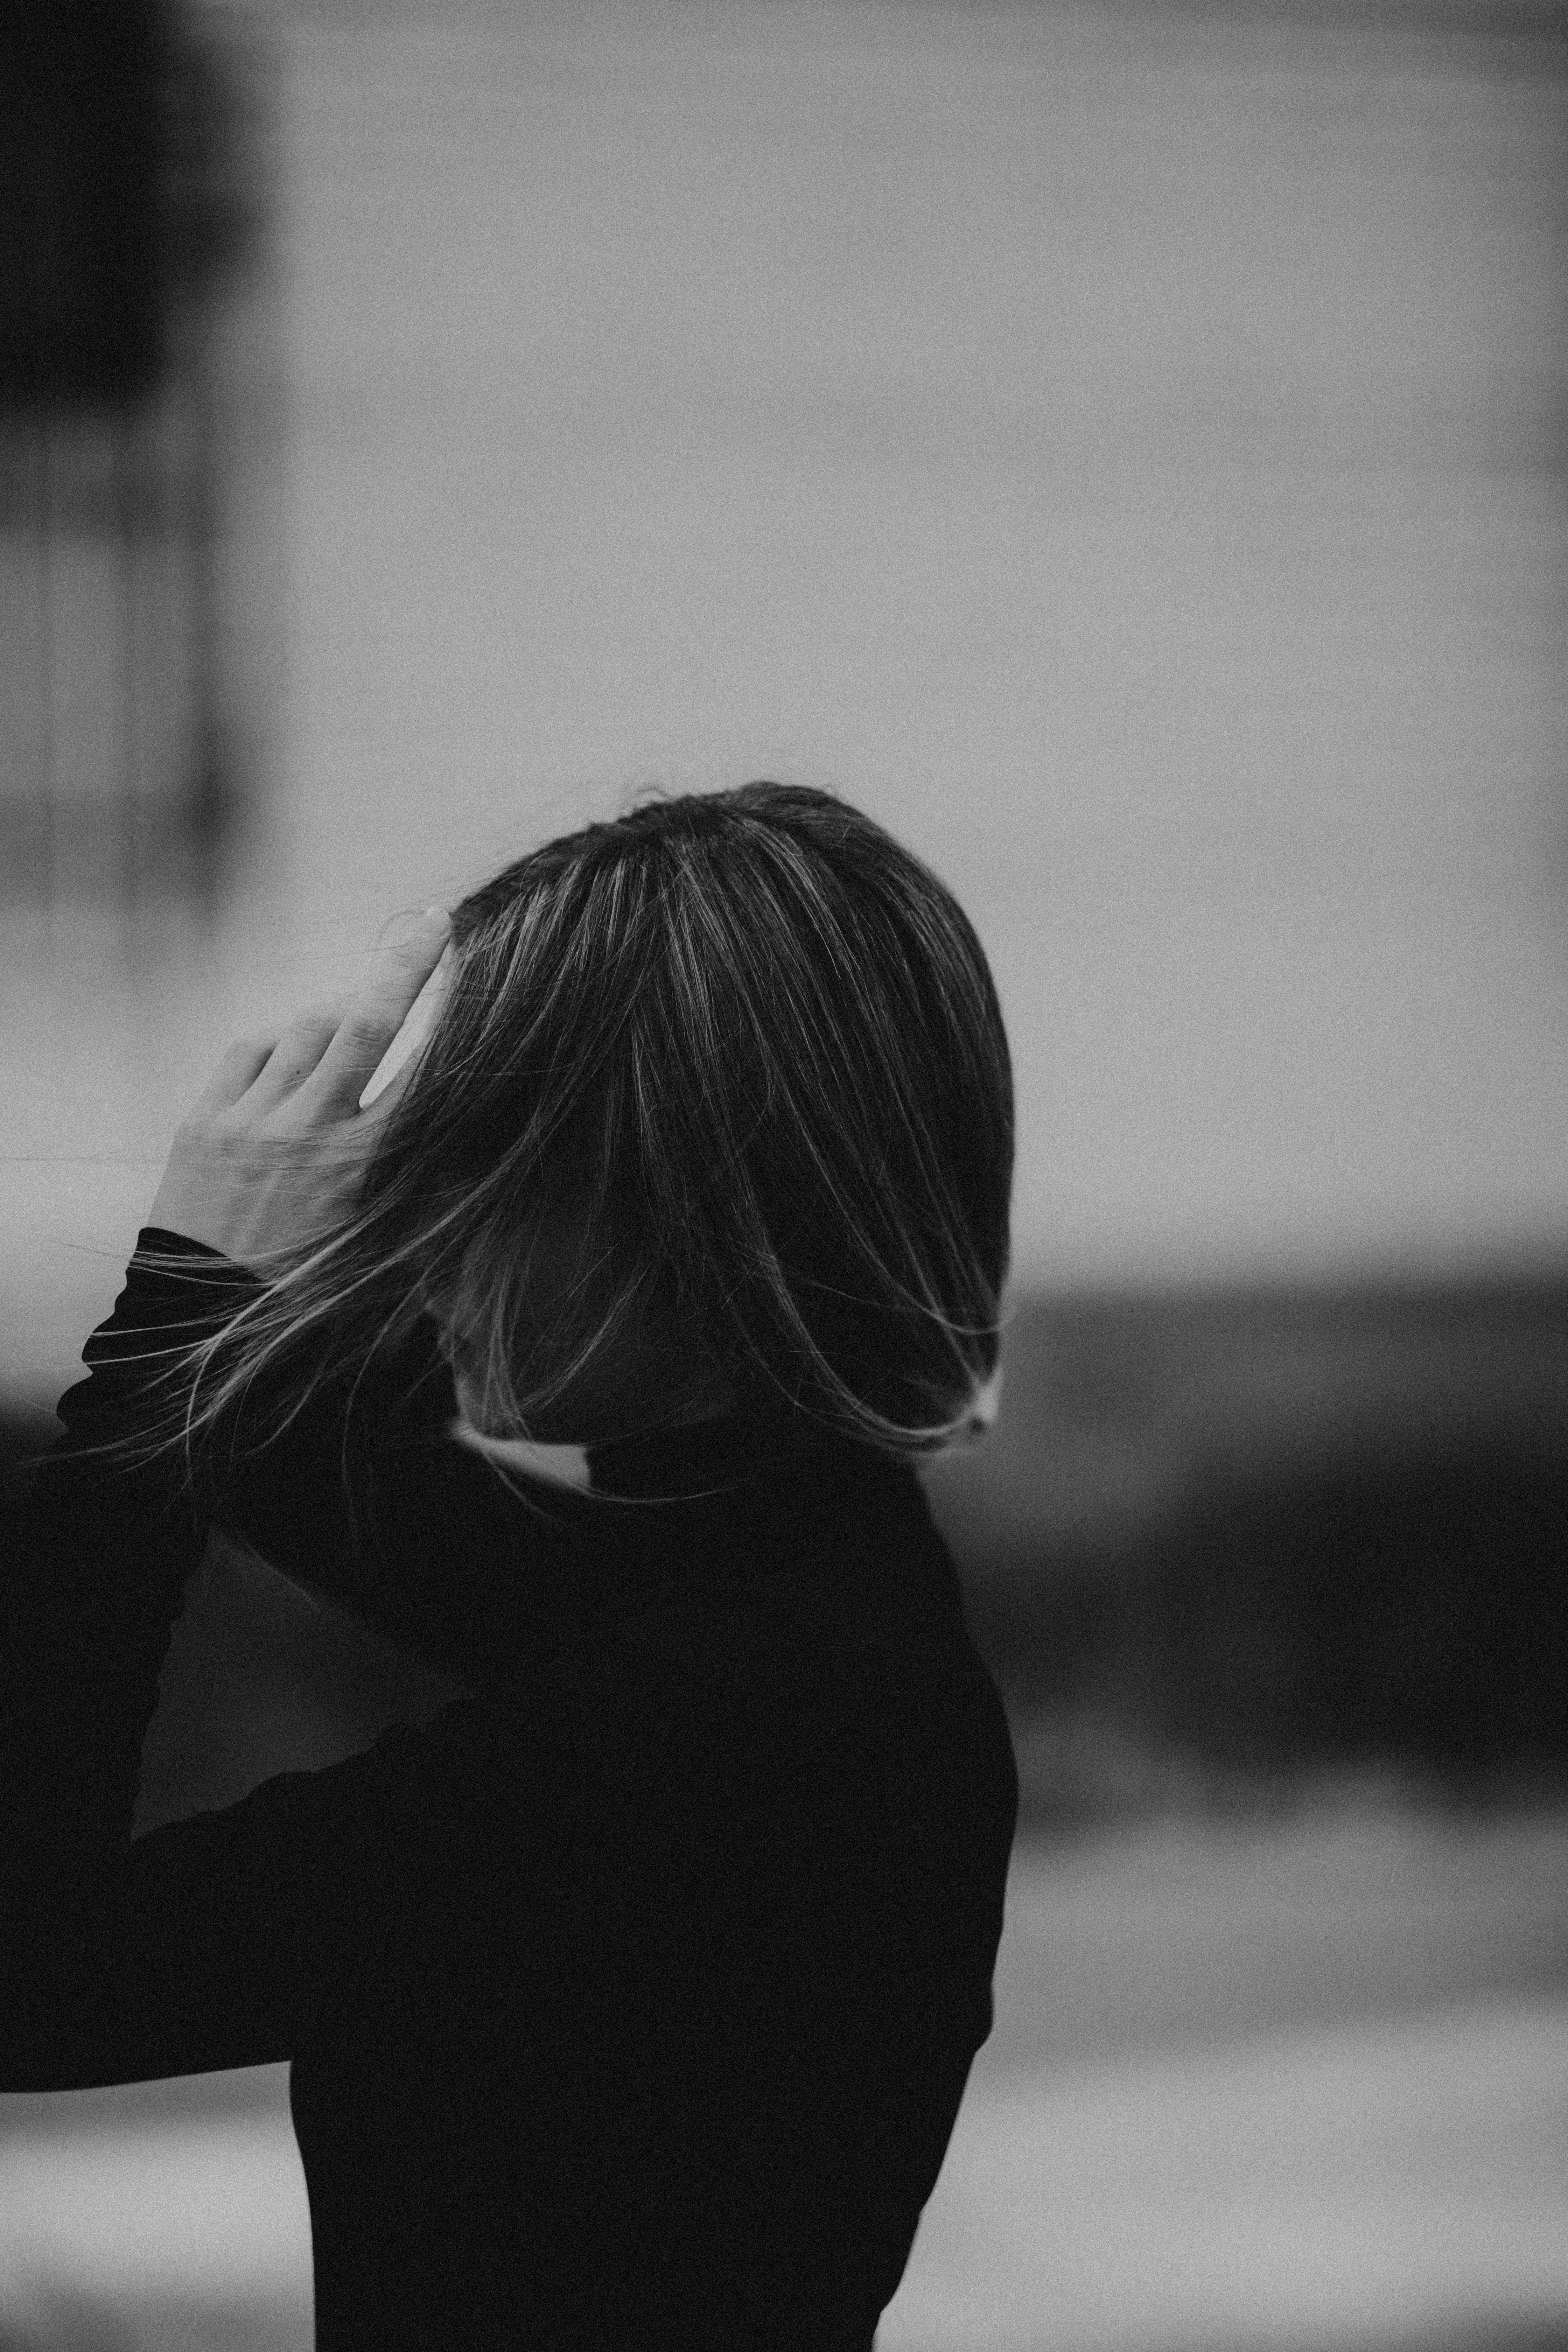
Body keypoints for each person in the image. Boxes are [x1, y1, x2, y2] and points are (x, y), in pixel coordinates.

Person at [2, 782, 1018, 2350]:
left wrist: (185, 1313)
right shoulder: (821, 1596)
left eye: (480, 1174)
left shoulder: (735, 1716)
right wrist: (225, 1290)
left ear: (689, 1202)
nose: (419, 1242)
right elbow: (409, 1519)